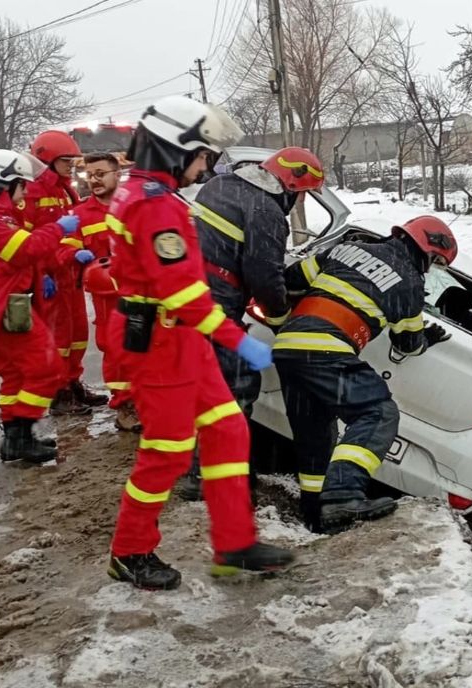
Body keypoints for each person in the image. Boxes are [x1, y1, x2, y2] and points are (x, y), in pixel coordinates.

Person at [105, 95, 293, 590]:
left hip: (179, 340)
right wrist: (238, 341)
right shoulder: (152, 205)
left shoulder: (149, 194)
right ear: (176, 149)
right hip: (162, 344)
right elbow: (184, 295)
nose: (206, 165)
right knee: (166, 453)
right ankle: (129, 551)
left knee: (228, 431)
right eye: (203, 154)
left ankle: (235, 544)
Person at [274, 216, 456, 532]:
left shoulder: (348, 248)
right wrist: (427, 338)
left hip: (288, 346)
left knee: (317, 437)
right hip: (326, 349)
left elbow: (292, 278)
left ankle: (316, 516)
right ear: (428, 251)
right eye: (437, 262)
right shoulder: (409, 283)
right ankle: (343, 494)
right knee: (378, 413)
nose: (432, 269)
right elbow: (408, 343)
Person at [176, 146, 326, 501]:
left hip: (185, 291)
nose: (299, 201)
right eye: (302, 194)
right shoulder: (266, 211)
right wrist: (281, 319)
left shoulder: (221, 185)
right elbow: (263, 276)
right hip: (214, 300)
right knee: (236, 385)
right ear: (291, 183)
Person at [0, 149, 79, 463]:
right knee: (46, 367)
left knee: (14, 373)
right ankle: (21, 433)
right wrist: (60, 228)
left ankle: (14, 438)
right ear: (5, 184)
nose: (24, 194)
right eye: (21, 186)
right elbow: (24, 250)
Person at [25, 130, 106, 415]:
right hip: (50, 275)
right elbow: (27, 239)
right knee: (58, 338)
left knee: (77, 334)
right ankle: (58, 393)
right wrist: (41, 273)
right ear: (47, 159)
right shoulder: (33, 191)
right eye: (66, 161)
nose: (71, 167)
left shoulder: (64, 189)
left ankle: (73, 382)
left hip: (69, 272)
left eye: (73, 162)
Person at [76, 152, 140, 432]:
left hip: (140, 291)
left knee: (145, 348)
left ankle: (146, 399)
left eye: (100, 174)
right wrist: (74, 255)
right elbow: (63, 248)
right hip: (107, 299)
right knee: (115, 352)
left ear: (117, 174)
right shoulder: (80, 214)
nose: (94, 180)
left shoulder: (134, 206)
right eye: (89, 175)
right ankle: (124, 406)